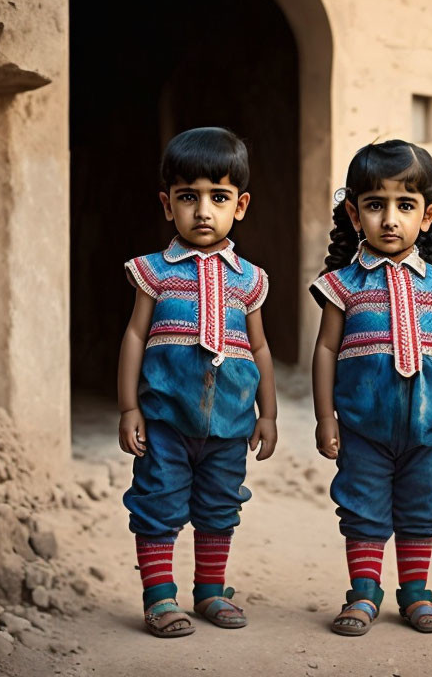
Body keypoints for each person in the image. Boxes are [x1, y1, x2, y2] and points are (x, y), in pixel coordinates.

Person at [310, 139, 432, 636]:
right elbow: (325, 351)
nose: (389, 219)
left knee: (423, 507)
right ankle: (363, 593)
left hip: (429, 431)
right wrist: (326, 418)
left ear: (426, 217)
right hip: (363, 429)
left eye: (404, 206)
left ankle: (415, 594)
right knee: (362, 508)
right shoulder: (342, 285)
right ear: (353, 213)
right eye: (375, 204)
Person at [117, 127, 277, 638]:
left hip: (229, 422)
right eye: (189, 197)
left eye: (219, 197)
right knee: (159, 500)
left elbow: (260, 349)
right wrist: (128, 408)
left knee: (219, 504)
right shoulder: (154, 272)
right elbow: (136, 337)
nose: (203, 211)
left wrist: (267, 413)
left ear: (241, 205)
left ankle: (209, 591)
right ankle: (160, 598)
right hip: (165, 420)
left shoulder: (248, 279)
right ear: (168, 205)